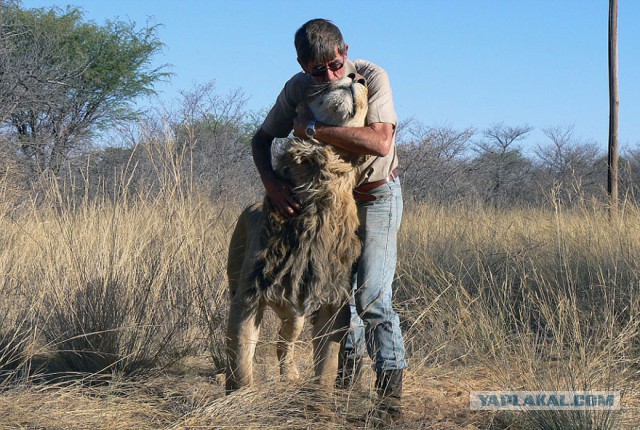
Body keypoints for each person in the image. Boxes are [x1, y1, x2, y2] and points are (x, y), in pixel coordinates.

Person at [251, 18, 407, 421]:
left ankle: (390, 404)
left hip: (374, 197)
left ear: (345, 51)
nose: (331, 75)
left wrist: (314, 130)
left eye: (337, 65)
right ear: (303, 65)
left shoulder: (371, 76)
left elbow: (380, 141)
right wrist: (271, 184)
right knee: (335, 298)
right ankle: (341, 391)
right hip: (328, 204)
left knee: (371, 297)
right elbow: (261, 138)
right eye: (318, 70)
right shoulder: (297, 88)